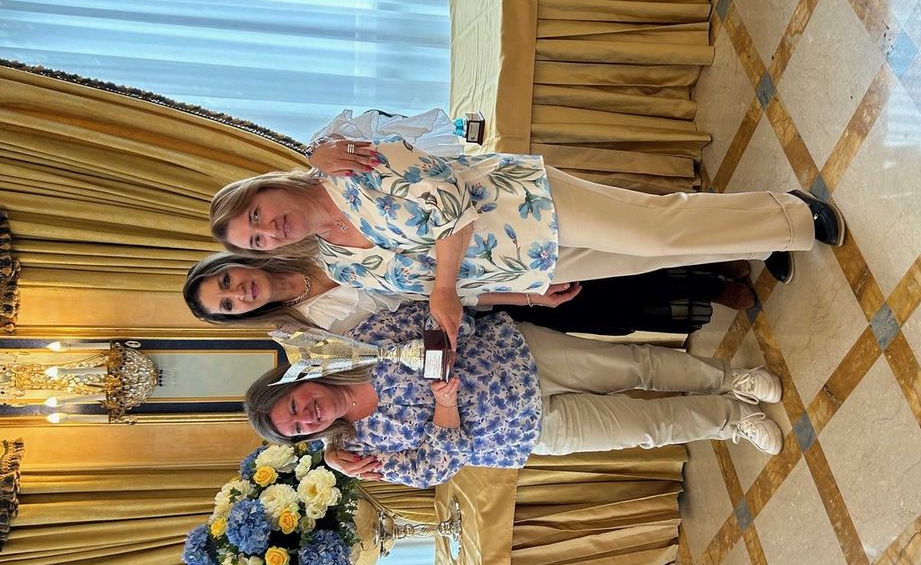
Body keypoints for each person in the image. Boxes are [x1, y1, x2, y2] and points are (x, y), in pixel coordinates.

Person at [209, 134, 843, 351]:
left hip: (527, 204)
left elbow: (451, 206)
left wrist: (444, 289)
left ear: (267, 188)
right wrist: (524, 294)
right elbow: (429, 288)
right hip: (527, 263)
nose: (270, 231)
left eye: (258, 215)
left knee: (657, 226)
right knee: (654, 253)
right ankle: (767, 233)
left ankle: (794, 213)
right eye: (257, 240)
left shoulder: (344, 165)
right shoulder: (339, 262)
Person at [244, 303, 786, 488]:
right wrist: (445, 406)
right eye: (298, 428)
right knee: (646, 430)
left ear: (299, 381)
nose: (306, 416)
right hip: (524, 433)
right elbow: (433, 469)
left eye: (294, 406)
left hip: (518, 356)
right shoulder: (359, 450)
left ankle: (731, 379)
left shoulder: (360, 346)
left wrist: (443, 349)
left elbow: (431, 317)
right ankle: (731, 421)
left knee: (636, 365)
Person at [183, 252, 755, 335]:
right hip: (477, 298)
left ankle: (708, 259)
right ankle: (710, 291)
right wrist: (526, 300)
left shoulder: (309, 238)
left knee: (600, 258)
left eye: (226, 281)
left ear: (235, 264)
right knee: (597, 303)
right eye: (228, 304)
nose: (240, 293)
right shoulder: (315, 331)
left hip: (470, 250)